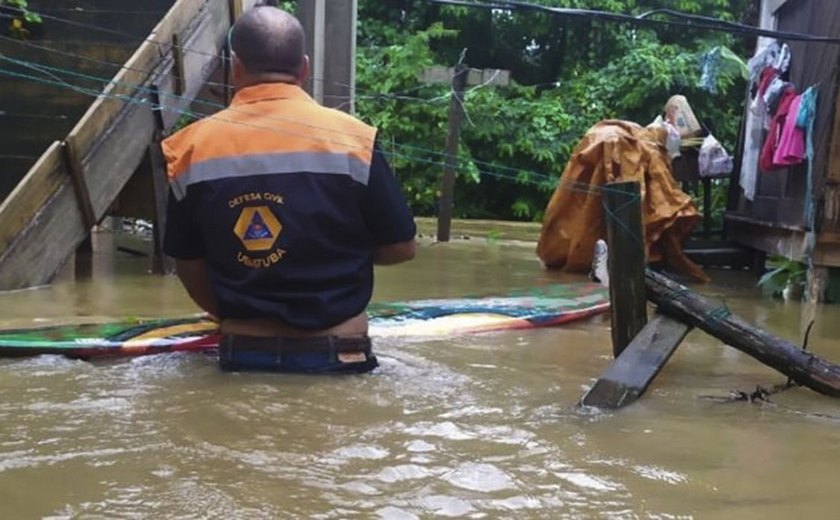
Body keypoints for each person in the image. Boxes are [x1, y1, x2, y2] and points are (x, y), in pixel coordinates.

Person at [161, 6, 416, 374]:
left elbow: (189, 264)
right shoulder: (356, 140)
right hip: (342, 353)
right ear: (305, 68)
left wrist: (233, 306)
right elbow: (402, 247)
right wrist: (337, 253)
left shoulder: (189, 148)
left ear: (236, 66)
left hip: (242, 354)